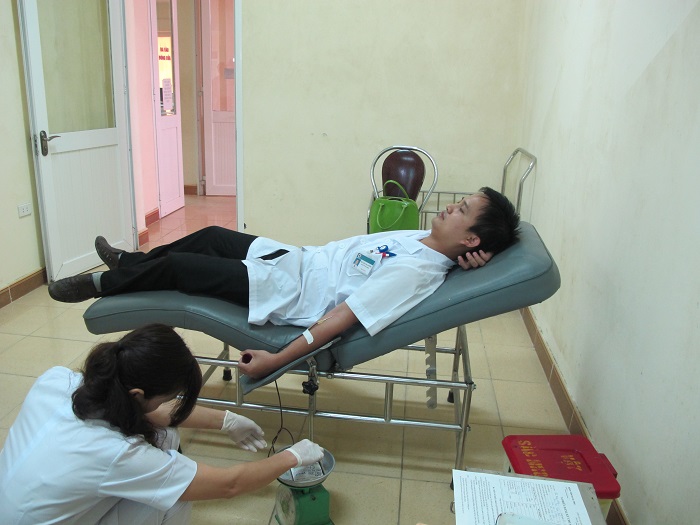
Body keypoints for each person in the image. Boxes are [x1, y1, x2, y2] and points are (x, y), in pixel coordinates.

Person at [49, 187, 520, 379]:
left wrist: (275, 359)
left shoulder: (416, 272)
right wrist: (464, 261)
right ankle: (130, 261)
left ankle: (103, 283)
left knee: (180, 269)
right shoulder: (424, 240)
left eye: (462, 210)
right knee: (211, 236)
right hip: (296, 259)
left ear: (471, 237)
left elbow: (342, 318)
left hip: (289, 292)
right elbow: (449, 253)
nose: (451, 206)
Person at [0, 324, 324, 525]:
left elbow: (155, 414)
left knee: (164, 436)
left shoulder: (59, 380)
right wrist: (292, 456)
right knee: (177, 494)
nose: (166, 404)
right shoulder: (115, 454)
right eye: (166, 397)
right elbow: (229, 485)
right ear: (137, 394)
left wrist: (227, 420)